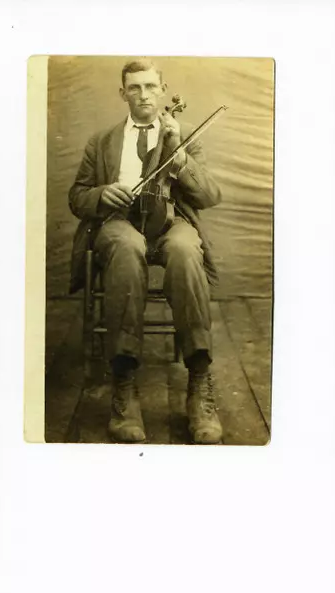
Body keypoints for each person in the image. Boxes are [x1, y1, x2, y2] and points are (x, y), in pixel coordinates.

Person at [68, 58, 223, 444]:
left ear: (162, 90)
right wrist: (101, 194)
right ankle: (124, 382)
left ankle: (199, 381)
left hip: (170, 221)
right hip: (119, 223)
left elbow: (209, 195)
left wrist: (180, 157)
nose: (144, 95)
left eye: (151, 86)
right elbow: (77, 197)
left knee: (186, 249)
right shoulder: (101, 142)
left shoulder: (184, 135)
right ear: (123, 93)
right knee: (126, 246)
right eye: (134, 88)